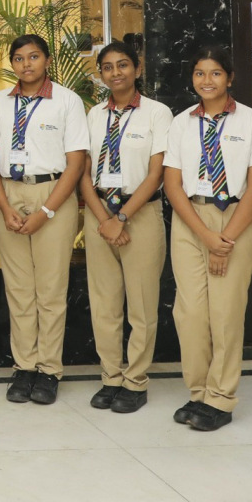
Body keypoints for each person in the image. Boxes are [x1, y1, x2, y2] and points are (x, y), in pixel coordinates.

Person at [161, 46, 252, 432]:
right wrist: (206, 236)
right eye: (199, 73)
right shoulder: (181, 123)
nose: (206, 81)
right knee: (190, 313)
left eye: (215, 73)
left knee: (225, 314)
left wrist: (224, 239)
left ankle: (221, 398)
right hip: (191, 221)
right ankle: (198, 391)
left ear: (230, 78)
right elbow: (172, 185)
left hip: (236, 220)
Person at [0, 35, 89, 406]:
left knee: (50, 289)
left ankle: (48, 369)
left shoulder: (67, 101)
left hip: (53, 194)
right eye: (18, 58)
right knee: (18, 289)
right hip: (9, 194)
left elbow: (76, 163)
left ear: (46, 60)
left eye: (33, 57)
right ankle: (24, 367)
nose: (26, 64)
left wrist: (47, 211)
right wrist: (4, 207)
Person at [76, 41, 172, 414]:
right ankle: (111, 377)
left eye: (122, 65)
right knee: (104, 304)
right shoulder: (94, 115)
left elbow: (156, 173)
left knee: (142, 304)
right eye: (108, 67)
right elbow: (84, 172)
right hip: (99, 212)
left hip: (140, 213)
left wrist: (121, 218)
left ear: (137, 68)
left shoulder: (157, 114)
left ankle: (135, 381)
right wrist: (104, 219)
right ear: (100, 74)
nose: (115, 73)